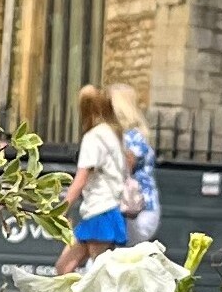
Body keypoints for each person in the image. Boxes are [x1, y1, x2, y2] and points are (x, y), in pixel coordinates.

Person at [57, 82, 129, 273]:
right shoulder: (113, 135)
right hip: (105, 210)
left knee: (102, 279)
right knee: (65, 268)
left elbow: (80, 180)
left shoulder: (94, 138)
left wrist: (60, 211)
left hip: (99, 211)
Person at [110, 84, 161, 245]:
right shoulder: (137, 135)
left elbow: (125, 166)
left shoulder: (131, 136)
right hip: (141, 206)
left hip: (135, 208)